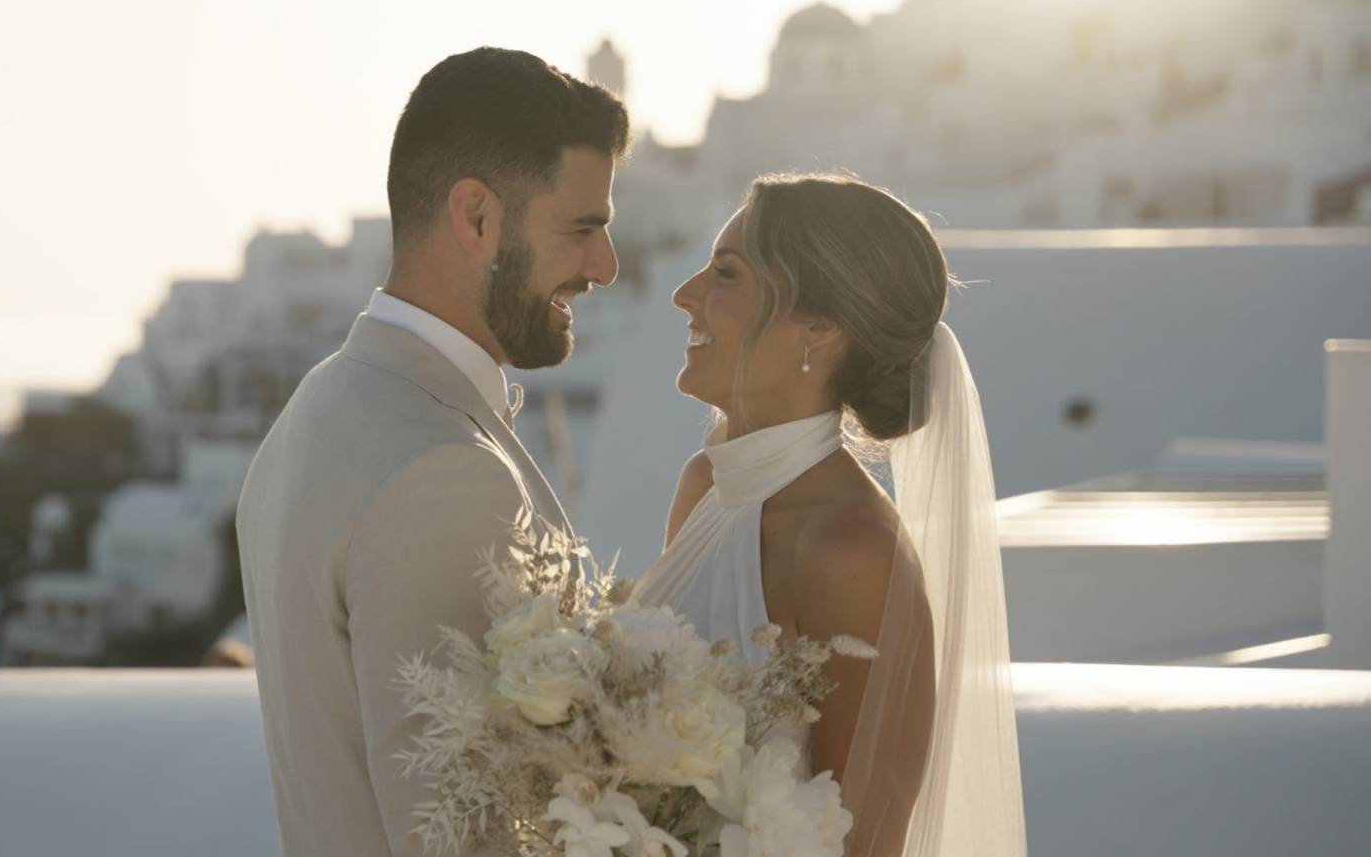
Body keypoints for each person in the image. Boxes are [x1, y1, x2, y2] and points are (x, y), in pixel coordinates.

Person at [236, 46, 631, 857]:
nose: (605, 266)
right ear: (477, 217)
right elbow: (457, 834)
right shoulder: (440, 475)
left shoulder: (320, 406)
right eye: (583, 229)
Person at [633, 172, 1027, 857]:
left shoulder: (852, 551)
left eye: (726, 274)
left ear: (816, 326)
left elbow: (867, 842)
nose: (684, 294)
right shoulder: (704, 487)